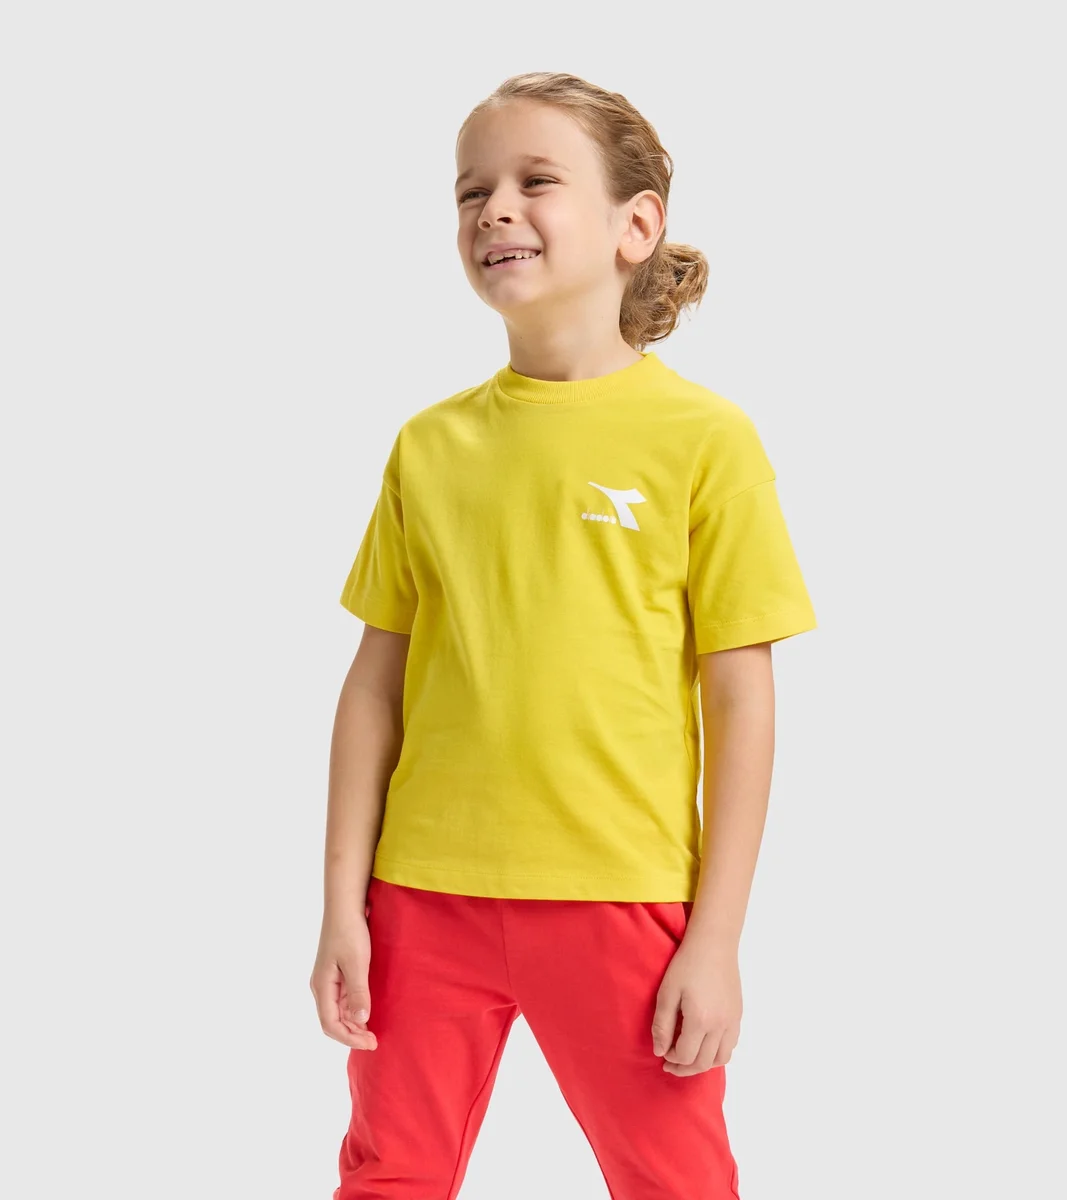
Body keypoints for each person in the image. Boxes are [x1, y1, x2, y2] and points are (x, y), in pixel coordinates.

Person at [310, 71, 817, 1200]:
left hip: (617, 895)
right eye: (471, 190)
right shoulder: (428, 446)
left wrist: (716, 939)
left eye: (536, 180)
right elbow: (373, 688)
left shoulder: (703, 440)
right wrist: (344, 905)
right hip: (422, 896)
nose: (494, 206)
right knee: (390, 1176)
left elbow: (740, 697)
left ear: (636, 226)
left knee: (674, 1182)